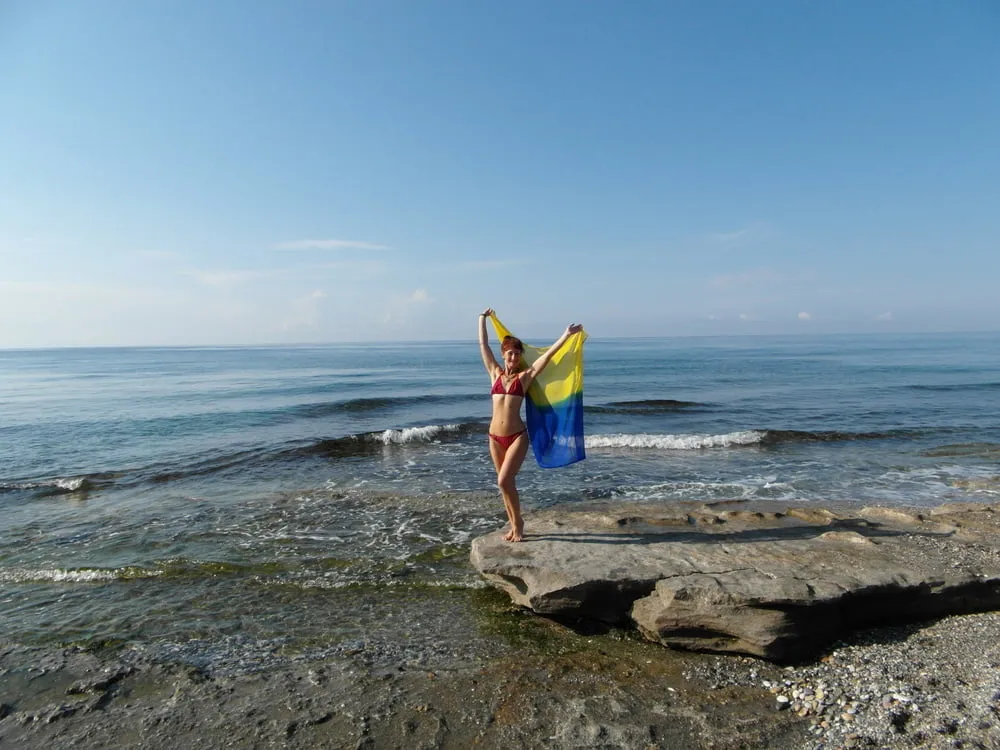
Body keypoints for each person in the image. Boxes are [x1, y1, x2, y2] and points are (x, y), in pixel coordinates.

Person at [478, 308, 584, 542]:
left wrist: (565, 336)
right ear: (503, 355)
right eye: (510, 354)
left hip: (516, 436)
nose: (514, 358)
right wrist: (482, 319)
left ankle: (519, 524)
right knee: (504, 486)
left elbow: (545, 360)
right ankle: (513, 525)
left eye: (517, 354)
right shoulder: (494, 375)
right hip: (494, 437)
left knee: (504, 480)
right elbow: (483, 346)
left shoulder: (523, 378)